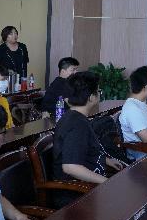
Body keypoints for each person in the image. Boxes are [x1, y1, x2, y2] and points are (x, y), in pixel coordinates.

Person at [51, 71, 125, 207]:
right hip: (76, 193)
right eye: (98, 91)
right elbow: (70, 167)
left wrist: (107, 160)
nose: (100, 94)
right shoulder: (76, 125)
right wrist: (106, 182)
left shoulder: (75, 117)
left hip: (88, 184)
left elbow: (84, 149)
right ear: (91, 97)